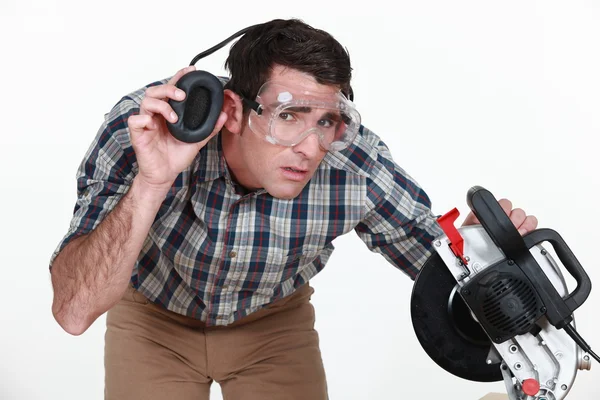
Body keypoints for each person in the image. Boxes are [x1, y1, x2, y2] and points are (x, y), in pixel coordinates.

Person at [49, 18, 538, 400]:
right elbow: (73, 311)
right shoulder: (151, 127)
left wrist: (477, 258)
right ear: (233, 111)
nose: (310, 146)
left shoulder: (352, 162)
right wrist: (152, 182)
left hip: (272, 324)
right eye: (288, 116)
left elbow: (435, 264)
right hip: (154, 317)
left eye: (326, 120)